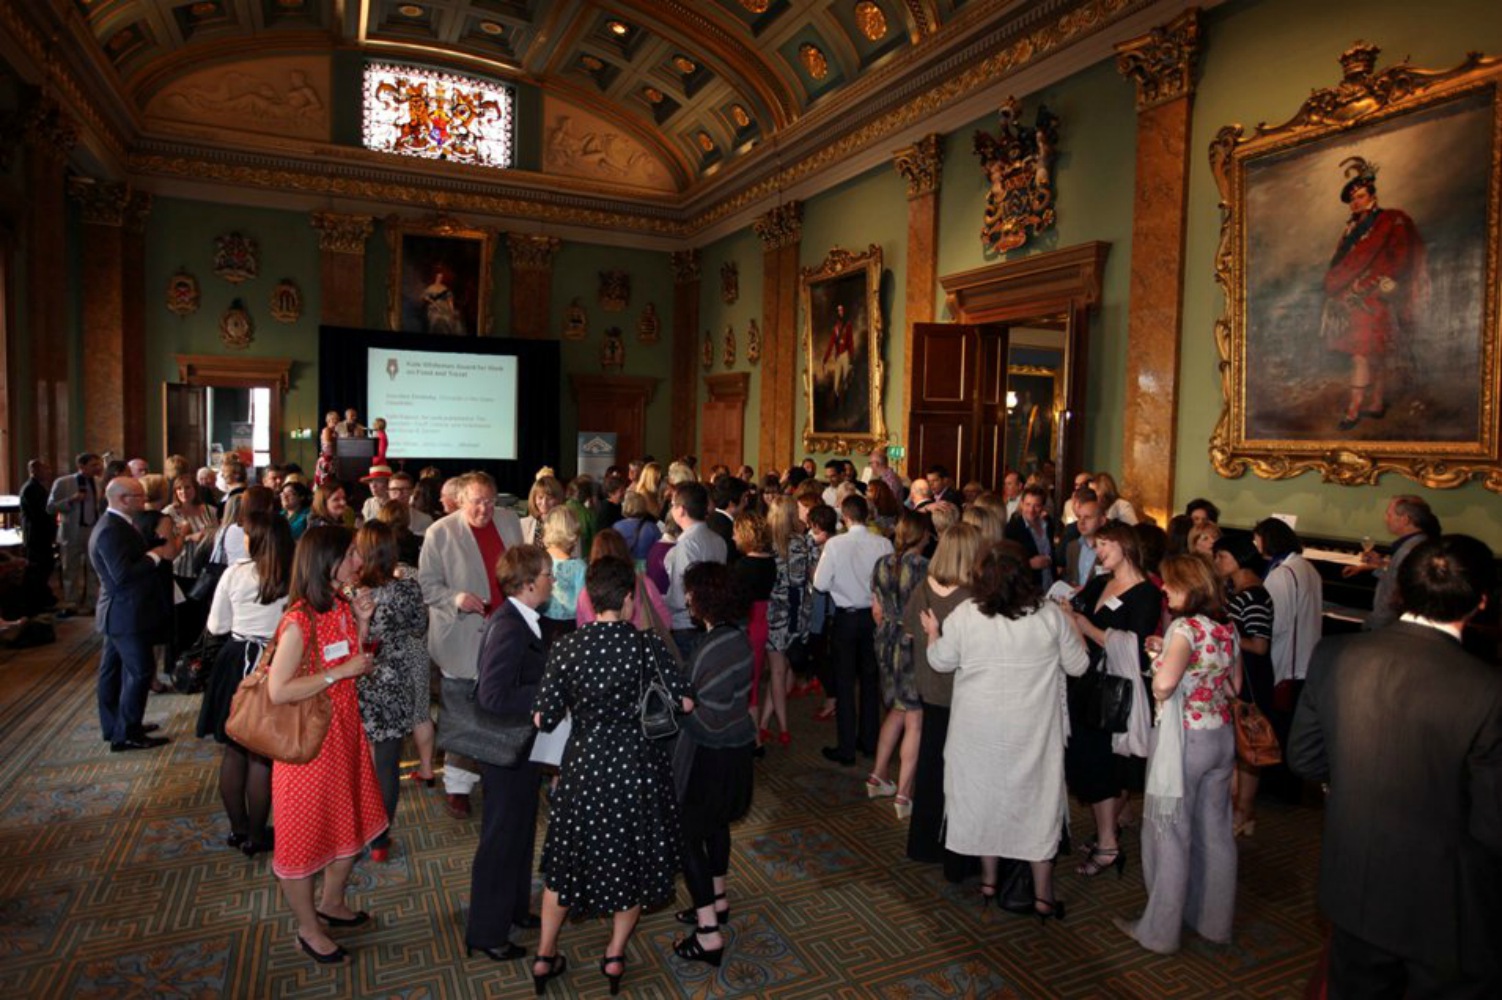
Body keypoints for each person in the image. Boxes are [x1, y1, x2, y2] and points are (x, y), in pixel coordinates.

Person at [1289, 535, 1501, 998]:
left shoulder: (1335, 655)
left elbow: (1304, 757)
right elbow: (1491, 823)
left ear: (1400, 589)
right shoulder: (1488, 690)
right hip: (1447, 904)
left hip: (1355, 881)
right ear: (1482, 601)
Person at [529, 558, 695, 996]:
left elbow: (543, 719)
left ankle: (544, 955)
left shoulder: (566, 648)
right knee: (632, 863)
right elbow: (686, 704)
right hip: (636, 768)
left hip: (583, 768)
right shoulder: (646, 646)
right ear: (627, 599)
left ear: (587, 598)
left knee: (565, 865)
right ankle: (615, 954)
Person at [922, 541, 1089, 920]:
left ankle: (989, 882)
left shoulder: (967, 614)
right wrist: (1074, 624)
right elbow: (1079, 667)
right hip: (1033, 732)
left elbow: (940, 661)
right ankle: (1044, 896)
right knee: (1037, 805)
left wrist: (933, 630)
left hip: (977, 731)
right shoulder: (1048, 616)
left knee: (985, 801)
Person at [264, 525, 388, 964]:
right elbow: (278, 691)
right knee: (302, 839)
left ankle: (332, 902)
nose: (359, 560)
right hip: (309, 746)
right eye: (351, 553)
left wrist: (362, 622)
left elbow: (351, 659)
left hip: (344, 734)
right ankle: (308, 928)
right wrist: (341, 672)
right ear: (326, 562)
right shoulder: (298, 620)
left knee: (346, 820)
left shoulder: (339, 604)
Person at [1113, 554, 1240, 955]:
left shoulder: (1186, 628)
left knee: (1170, 834)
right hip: (1221, 737)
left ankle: (1160, 932)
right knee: (1216, 832)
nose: (1164, 590)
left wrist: (1160, 659)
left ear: (1190, 586)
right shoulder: (1225, 628)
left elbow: (1164, 686)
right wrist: (1168, 652)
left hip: (1184, 741)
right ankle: (1214, 922)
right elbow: (1233, 687)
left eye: (1171, 584)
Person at [465, 544, 553, 962]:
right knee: (501, 840)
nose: (553, 581)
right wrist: (547, 693)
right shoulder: (510, 626)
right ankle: (486, 930)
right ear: (530, 581)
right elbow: (493, 695)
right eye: (548, 574)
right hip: (505, 751)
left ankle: (515, 910)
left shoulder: (525, 620)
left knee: (519, 833)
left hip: (521, 748)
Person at [418, 472, 524, 819]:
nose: (485, 508)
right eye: (477, 501)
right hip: (461, 635)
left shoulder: (510, 521)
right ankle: (458, 786)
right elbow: (427, 586)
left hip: (504, 633)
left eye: (490, 500)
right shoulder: (440, 533)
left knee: (499, 707)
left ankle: (497, 770)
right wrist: (456, 597)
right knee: (462, 710)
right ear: (461, 500)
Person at [1065, 520, 1162, 879]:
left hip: (1116, 689)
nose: (1099, 551)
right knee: (1094, 762)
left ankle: (1108, 843)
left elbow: (1135, 647)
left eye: (1105, 544)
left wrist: (1087, 627)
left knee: (1106, 765)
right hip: (1087, 680)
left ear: (1126, 546)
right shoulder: (1102, 582)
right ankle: (1109, 832)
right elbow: (1078, 611)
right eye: (1098, 545)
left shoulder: (1147, 593)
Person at [671, 562, 756, 969]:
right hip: (736, 750)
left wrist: (679, 707)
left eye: (690, 592)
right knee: (717, 826)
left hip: (711, 756)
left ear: (703, 598)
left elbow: (706, 718)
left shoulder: (713, 648)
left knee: (687, 837)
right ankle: (717, 899)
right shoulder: (735, 638)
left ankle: (708, 933)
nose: (686, 598)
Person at [197, 512, 292, 857]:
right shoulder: (292, 576)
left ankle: (238, 829)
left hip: (235, 660)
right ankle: (256, 833)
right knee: (261, 756)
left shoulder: (234, 574)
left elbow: (217, 626)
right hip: (275, 661)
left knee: (233, 748)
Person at [1321, 157, 1428, 431]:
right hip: (1349, 300)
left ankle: (1355, 409)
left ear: (1372, 196)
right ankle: (1376, 403)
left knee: (1366, 353)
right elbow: (1341, 265)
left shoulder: (1392, 220)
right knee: (1365, 353)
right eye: (1352, 199)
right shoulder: (1350, 230)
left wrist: (1368, 284)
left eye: (1360, 197)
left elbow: (1400, 260)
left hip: (1375, 296)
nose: (1355, 203)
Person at [903, 523, 984, 877]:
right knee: (960, 775)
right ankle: (956, 850)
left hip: (928, 687)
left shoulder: (924, 587)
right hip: (960, 694)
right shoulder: (971, 597)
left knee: (931, 767)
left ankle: (923, 843)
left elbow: (908, 630)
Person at [351, 521, 431, 863]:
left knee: (356, 759)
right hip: (395, 678)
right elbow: (418, 627)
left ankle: (352, 833)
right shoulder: (407, 589)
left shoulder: (350, 593)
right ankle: (380, 839)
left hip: (355, 679)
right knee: (386, 761)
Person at [90, 477, 180, 752]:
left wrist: (154, 541)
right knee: (140, 672)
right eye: (138, 496)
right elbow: (122, 576)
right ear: (122, 499)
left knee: (112, 672)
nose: (144, 501)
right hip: (125, 613)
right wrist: (154, 555)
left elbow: (130, 552)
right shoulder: (109, 529)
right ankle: (126, 734)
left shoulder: (119, 524)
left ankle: (116, 726)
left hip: (122, 611)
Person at [813, 494, 894, 767]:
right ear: (867, 514)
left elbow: (821, 584)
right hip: (874, 617)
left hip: (846, 619)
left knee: (845, 681)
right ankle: (869, 742)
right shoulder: (883, 542)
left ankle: (846, 747)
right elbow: (890, 581)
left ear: (844, 518)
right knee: (871, 680)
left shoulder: (835, 544)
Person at [866, 509, 931, 818]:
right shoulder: (924, 567)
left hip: (885, 638)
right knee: (915, 717)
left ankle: (878, 775)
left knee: (896, 709)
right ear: (923, 535)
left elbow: (876, 610)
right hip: (911, 642)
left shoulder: (882, 563)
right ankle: (904, 795)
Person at [1212, 534, 1273, 837]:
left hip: (1251, 676)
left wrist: (1227, 635)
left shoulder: (1255, 595)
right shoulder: (1240, 593)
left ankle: (1244, 811)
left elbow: (1260, 645)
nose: (1217, 563)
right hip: (1240, 674)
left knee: (1249, 748)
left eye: (1221, 557)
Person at [1255, 517, 1322, 726]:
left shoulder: (1282, 574)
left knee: (1278, 723)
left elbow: (1276, 623)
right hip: (1309, 656)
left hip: (1288, 662)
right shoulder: (1307, 566)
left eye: (1257, 540)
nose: (1256, 546)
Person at [760, 495, 809, 744]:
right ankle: (778, 725)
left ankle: (772, 724)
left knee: (778, 671)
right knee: (783, 669)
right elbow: (804, 580)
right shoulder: (800, 542)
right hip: (796, 612)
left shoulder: (766, 545)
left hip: (773, 612)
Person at [1354, 494, 1440, 631]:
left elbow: (1392, 597)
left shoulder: (1409, 550)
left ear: (1405, 519)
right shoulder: (1421, 543)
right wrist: (1381, 565)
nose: (1386, 519)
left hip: (1389, 628)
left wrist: (1372, 625)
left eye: (1389, 515)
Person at [662, 482, 728, 661]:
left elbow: (679, 598)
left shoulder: (686, 545)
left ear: (681, 510)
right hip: (713, 621)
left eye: (673, 505)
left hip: (687, 625)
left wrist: (658, 600)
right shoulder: (718, 540)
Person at [730, 511, 775, 741]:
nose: (733, 537)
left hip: (749, 623)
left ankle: (754, 738)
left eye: (736, 532)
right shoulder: (770, 560)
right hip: (764, 620)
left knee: (749, 684)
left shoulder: (743, 565)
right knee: (756, 680)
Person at [49, 452, 104, 615]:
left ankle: (92, 602)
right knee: (70, 568)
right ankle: (71, 602)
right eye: (93, 465)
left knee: (93, 567)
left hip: (92, 530)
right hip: (71, 531)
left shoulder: (99, 482)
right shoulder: (63, 482)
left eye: (98, 464)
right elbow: (50, 507)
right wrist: (71, 500)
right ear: (81, 466)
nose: (98, 468)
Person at [540, 505, 586, 643]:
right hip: (569, 626)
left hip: (542, 621)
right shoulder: (578, 567)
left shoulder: (538, 560)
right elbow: (582, 604)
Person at [19, 458, 58, 615]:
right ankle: (36, 602)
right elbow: (40, 514)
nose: (49, 472)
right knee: (38, 568)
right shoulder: (30, 489)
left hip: (42, 535)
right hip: (36, 536)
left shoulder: (39, 487)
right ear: (34, 471)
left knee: (45, 567)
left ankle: (42, 598)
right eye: (45, 469)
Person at [1003, 484, 1057, 588]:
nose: (1031, 510)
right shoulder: (1012, 528)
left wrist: (1050, 559)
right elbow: (1006, 562)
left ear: (1043, 506)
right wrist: (1029, 564)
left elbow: (1052, 551)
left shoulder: (1048, 524)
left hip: (1050, 583)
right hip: (1028, 587)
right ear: (1022, 504)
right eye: (1028, 504)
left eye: (1036, 505)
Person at [1064, 491, 1103, 588]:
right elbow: (1069, 577)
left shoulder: (1109, 549)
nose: (1081, 522)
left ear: (1102, 520)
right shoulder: (1072, 547)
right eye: (1079, 517)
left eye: (1088, 517)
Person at [821, 302, 855, 406]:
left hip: (845, 355)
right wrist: (825, 360)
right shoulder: (835, 329)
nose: (841, 312)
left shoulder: (848, 325)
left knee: (845, 382)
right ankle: (837, 404)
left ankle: (847, 404)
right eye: (839, 310)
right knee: (836, 384)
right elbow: (830, 345)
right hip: (838, 357)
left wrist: (851, 357)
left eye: (842, 310)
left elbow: (850, 342)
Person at [518, 474, 565, 549]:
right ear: (534, 498)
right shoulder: (523, 524)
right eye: (540, 497)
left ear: (558, 499)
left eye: (549, 498)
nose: (544, 502)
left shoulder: (566, 525)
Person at [613, 490, 662, 563]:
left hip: (624, 567)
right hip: (646, 569)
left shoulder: (616, 527)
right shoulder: (652, 528)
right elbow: (659, 552)